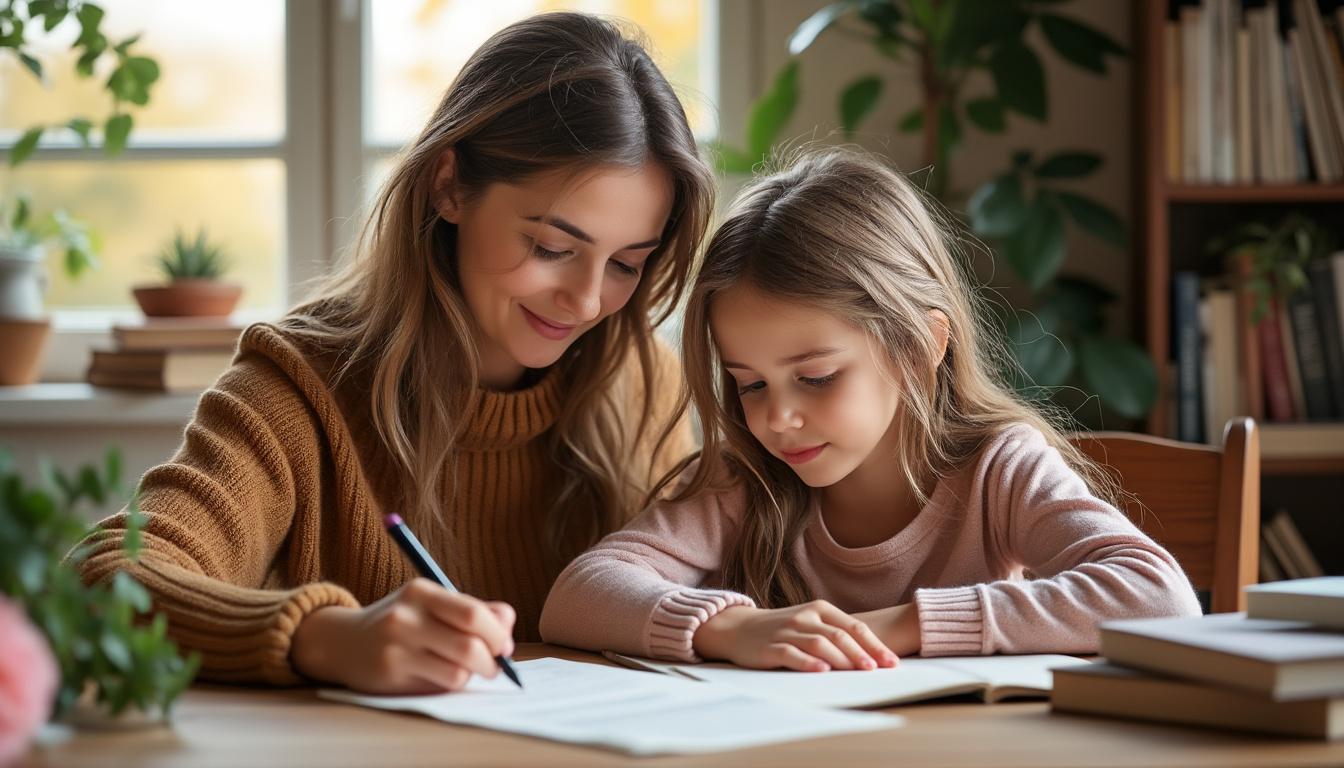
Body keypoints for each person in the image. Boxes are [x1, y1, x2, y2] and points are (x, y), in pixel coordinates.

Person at [77, 12, 714, 694]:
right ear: (449, 186)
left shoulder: (643, 386)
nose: (588, 302)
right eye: (552, 248)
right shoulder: (297, 387)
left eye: (626, 264)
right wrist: (319, 636)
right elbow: (103, 582)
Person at [540, 149, 1201, 671]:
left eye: (816, 378)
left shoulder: (999, 470)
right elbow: (578, 594)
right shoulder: (746, 480)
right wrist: (732, 627)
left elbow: (1161, 599)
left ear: (919, 347)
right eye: (750, 384)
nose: (777, 420)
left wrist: (907, 625)